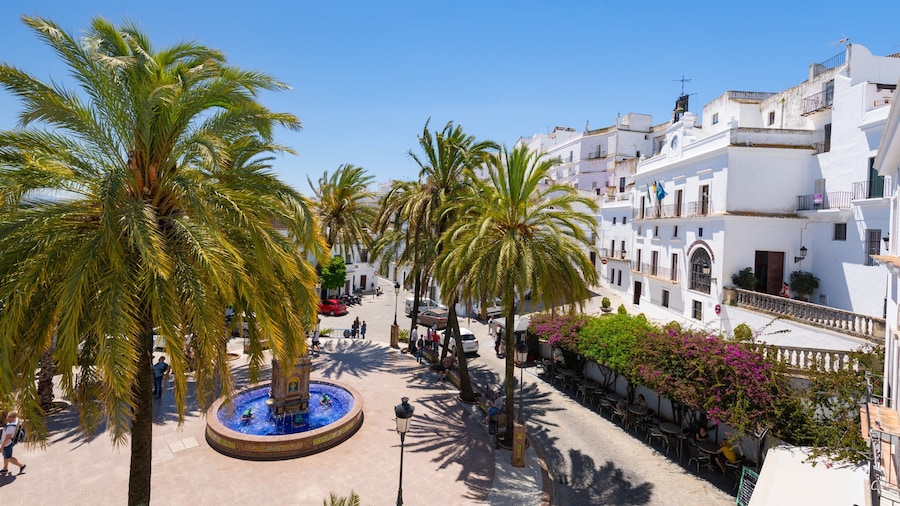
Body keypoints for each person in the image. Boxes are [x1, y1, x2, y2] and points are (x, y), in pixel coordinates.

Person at [1, 411, 25, 476]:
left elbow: (7, 438)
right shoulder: (14, 422)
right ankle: (5, 469)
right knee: (5, 455)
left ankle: (21, 465)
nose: (6, 417)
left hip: (7, 444)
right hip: (8, 443)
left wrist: (1, 447)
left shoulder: (10, 427)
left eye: (8, 416)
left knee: (8, 458)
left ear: (11, 418)